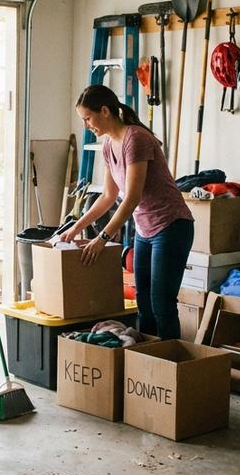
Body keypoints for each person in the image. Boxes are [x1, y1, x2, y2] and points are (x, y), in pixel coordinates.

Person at [58, 85, 194, 341]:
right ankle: (146, 366)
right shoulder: (109, 144)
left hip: (172, 226)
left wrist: (103, 239)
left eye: (88, 118)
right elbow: (109, 196)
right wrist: (76, 227)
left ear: (105, 111)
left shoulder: (136, 138)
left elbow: (131, 198)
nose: (87, 125)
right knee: (144, 303)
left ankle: (170, 366)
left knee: (162, 303)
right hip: (144, 231)